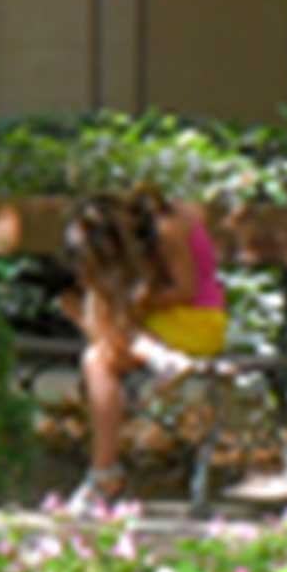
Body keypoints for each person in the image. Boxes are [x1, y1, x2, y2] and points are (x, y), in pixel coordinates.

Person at [60, 189, 228, 514]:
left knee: (97, 353)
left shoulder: (167, 226)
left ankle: (104, 474)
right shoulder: (146, 226)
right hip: (163, 326)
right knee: (96, 352)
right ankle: (159, 358)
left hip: (196, 323)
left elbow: (185, 290)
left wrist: (128, 302)